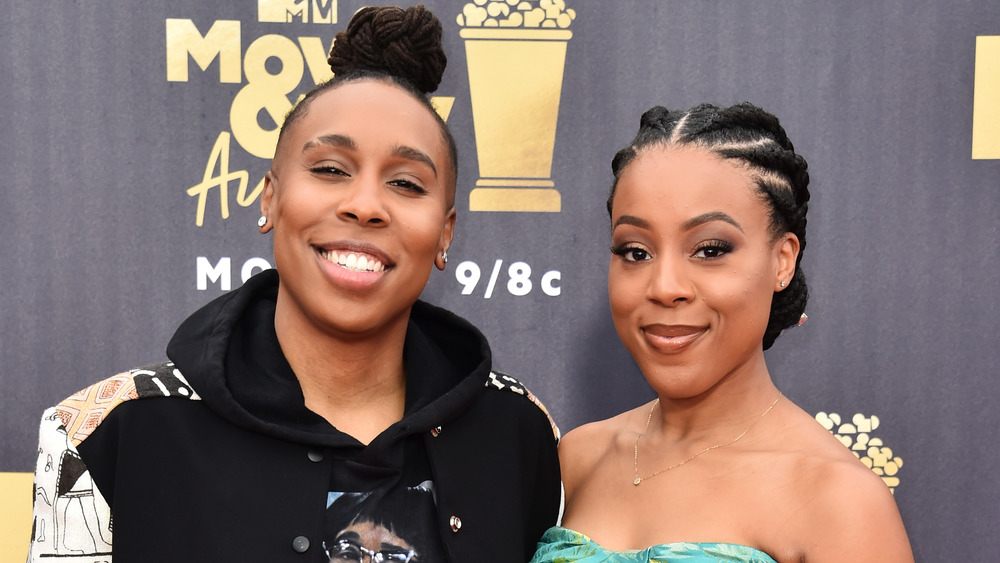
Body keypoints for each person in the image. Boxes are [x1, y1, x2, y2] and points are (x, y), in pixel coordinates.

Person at [27, 5, 561, 562]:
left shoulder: (520, 432)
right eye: (331, 169)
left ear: (446, 232)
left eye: (406, 182)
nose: (364, 205)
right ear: (270, 197)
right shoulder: (105, 434)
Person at [530, 103, 913, 562]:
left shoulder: (839, 500)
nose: (666, 287)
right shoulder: (577, 457)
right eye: (635, 252)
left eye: (710, 250)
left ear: (782, 261)